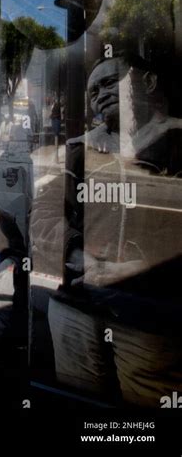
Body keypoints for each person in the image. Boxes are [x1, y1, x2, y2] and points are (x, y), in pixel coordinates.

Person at [31, 53, 182, 406]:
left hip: (150, 315)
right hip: (77, 303)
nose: (99, 94)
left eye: (110, 82)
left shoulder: (177, 141)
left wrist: (145, 270)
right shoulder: (80, 149)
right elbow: (43, 214)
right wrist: (77, 255)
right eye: (93, 90)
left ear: (148, 81)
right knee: (76, 398)